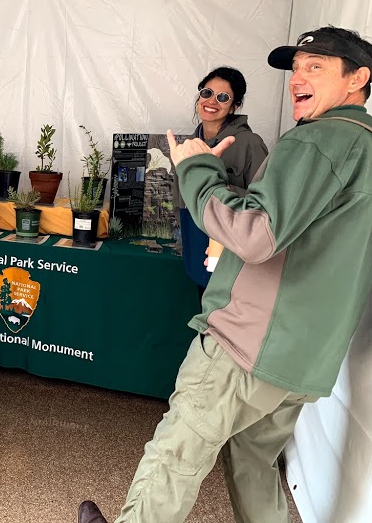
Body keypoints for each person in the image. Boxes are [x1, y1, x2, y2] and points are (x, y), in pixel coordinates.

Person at [78, 26, 372, 523]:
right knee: (254, 462)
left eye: (315, 67)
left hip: (250, 342)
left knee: (178, 451)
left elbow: (254, 231)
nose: (298, 78)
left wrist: (195, 170)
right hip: (306, 354)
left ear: (358, 79)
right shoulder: (363, 146)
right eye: (295, 68)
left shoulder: (316, 140)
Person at [177, 67, 268, 294]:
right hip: (195, 233)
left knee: (223, 308)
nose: (212, 102)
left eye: (223, 97)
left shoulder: (249, 143)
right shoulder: (191, 143)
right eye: (207, 93)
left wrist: (221, 190)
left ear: (234, 105)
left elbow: (265, 203)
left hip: (228, 241)